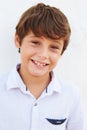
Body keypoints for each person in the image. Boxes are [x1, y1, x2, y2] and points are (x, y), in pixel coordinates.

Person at [0, 2, 84, 130]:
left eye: (54, 47)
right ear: (18, 40)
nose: (43, 54)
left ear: (61, 52)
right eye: (35, 42)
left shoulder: (71, 95)